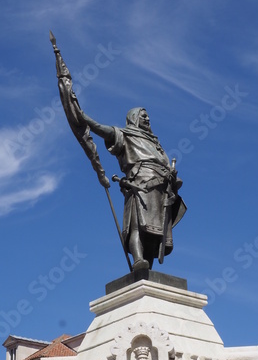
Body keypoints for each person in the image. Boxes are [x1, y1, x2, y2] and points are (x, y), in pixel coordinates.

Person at [72, 105, 186, 270]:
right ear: (134, 118)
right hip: (140, 185)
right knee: (137, 226)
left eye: (148, 117)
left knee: (155, 234)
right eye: (143, 116)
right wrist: (82, 117)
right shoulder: (125, 135)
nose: (147, 119)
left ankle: (147, 270)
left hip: (161, 189)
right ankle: (138, 260)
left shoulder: (155, 143)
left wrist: (171, 174)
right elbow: (100, 129)